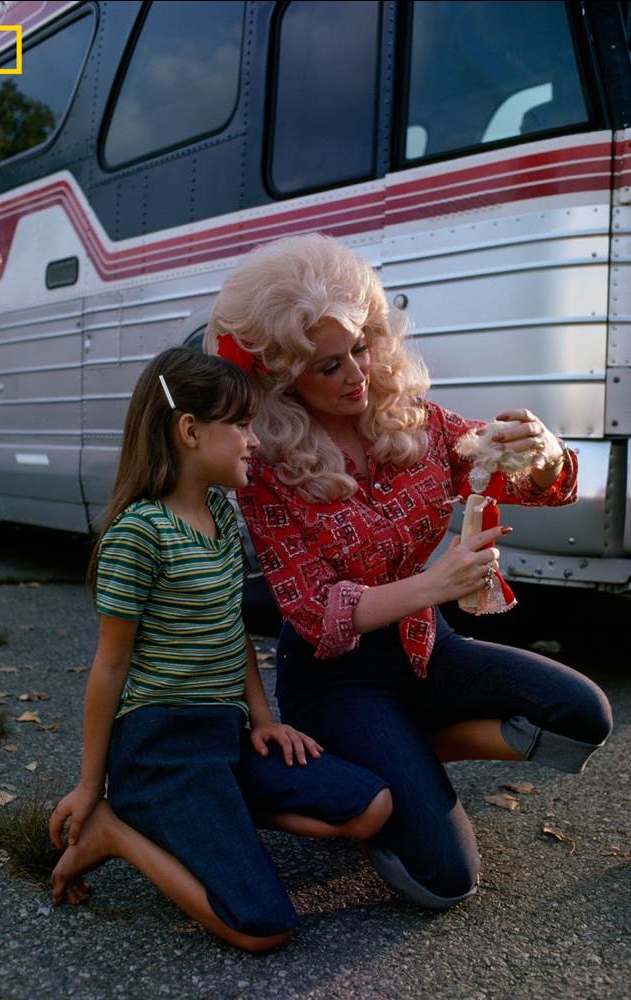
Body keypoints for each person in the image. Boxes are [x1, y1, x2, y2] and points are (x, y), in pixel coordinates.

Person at [207, 233, 613, 911]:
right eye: (328, 366)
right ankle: (365, 764)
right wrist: (436, 585)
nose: (357, 375)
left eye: (362, 346)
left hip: (429, 649)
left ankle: (409, 753)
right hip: (339, 682)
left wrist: (541, 453)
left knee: (582, 714)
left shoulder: (413, 421)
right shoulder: (267, 472)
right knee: (443, 881)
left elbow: (533, 480)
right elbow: (314, 614)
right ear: (283, 379)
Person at [48, 348, 392, 952]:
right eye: (241, 425)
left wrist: (263, 721)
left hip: (225, 736)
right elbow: (110, 667)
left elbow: (230, 630)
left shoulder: (221, 518)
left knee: (370, 805)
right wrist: (89, 787)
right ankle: (117, 831)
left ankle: (208, 816)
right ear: (189, 431)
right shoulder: (139, 533)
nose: (254, 442)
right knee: (261, 928)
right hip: (163, 748)